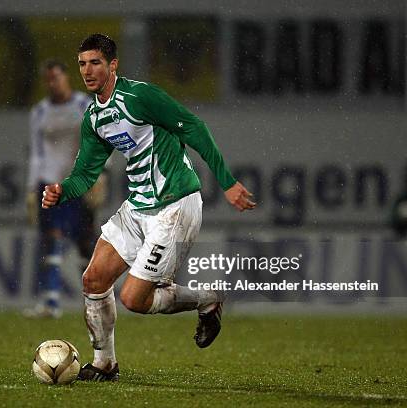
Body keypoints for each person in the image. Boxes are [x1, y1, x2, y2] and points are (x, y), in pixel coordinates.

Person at [41, 34, 256, 381]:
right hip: (139, 206)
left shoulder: (141, 96)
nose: (87, 70)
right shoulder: (95, 117)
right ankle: (104, 363)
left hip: (174, 206)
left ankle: (208, 298)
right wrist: (61, 190)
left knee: (135, 300)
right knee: (93, 279)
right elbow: (86, 173)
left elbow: (194, 127)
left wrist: (227, 182)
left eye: (95, 62)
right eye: (82, 63)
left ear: (113, 65)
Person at [25, 59, 106, 318]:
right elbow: (37, 154)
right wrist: (30, 188)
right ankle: (50, 303)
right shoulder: (39, 112)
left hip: (79, 182)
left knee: (85, 243)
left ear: (66, 78)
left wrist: (100, 174)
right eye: (48, 79)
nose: (53, 83)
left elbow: (101, 140)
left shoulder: (84, 106)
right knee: (53, 238)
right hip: (50, 183)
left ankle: (95, 303)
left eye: (56, 78)